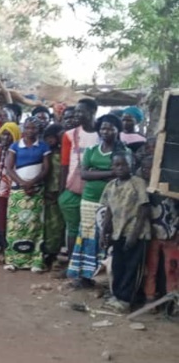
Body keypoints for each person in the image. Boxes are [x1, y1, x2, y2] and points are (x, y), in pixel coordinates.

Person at [67, 114, 123, 288]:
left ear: (117, 130)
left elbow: (122, 175)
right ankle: (85, 276)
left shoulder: (123, 152)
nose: (106, 131)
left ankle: (105, 278)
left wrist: (95, 172)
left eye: (110, 128)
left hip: (112, 201)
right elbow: (84, 174)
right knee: (87, 235)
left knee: (106, 237)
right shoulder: (92, 150)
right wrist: (109, 173)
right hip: (90, 198)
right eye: (103, 128)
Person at [99, 151, 150, 313]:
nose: (120, 168)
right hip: (117, 232)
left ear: (131, 166)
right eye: (116, 165)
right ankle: (117, 295)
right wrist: (103, 232)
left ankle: (126, 300)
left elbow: (144, 209)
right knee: (118, 265)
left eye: (124, 164)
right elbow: (108, 211)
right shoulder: (111, 185)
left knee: (132, 268)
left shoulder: (138, 183)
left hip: (136, 233)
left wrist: (134, 235)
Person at [58, 99, 100, 278]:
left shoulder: (102, 133)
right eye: (76, 112)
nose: (77, 115)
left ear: (92, 112)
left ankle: (92, 268)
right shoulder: (69, 135)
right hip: (72, 189)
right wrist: (62, 192)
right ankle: (71, 266)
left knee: (93, 230)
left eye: (81, 111)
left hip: (95, 190)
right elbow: (64, 165)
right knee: (72, 228)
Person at [3, 118, 51, 272]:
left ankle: (35, 261)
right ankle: (12, 259)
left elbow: (45, 169)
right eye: (28, 128)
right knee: (15, 225)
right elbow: (8, 168)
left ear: (38, 130)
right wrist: (23, 183)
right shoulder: (15, 146)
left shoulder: (43, 146)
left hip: (36, 191)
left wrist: (32, 183)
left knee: (35, 225)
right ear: (23, 129)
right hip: (18, 191)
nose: (31, 131)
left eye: (34, 128)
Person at [139, 156, 179, 309]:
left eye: (150, 168)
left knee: (172, 268)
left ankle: (172, 299)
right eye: (144, 168)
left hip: (171, 235)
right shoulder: (143, 188)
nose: (147, 171)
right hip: (152, 236)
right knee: (151, 268)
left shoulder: (169, 187)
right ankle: (150, 298)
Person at [0, 122, 21, 252]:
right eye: (3, 134)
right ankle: (3, 245)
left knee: (14, 216)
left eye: (9, 135)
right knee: (2, 216)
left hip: (16, 187)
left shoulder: (19, 149)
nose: (6, 138)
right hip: (2, 189)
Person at [42, 124, 66, 270]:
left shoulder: (63, 152)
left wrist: (59, 191)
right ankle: (45, 253)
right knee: (45, 225)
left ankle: (54, 253)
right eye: (48, 138)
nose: (50, 141)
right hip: (45, 192)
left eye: (53, 138)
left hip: (58, 192)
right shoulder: (44, 153)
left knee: (57, 226)